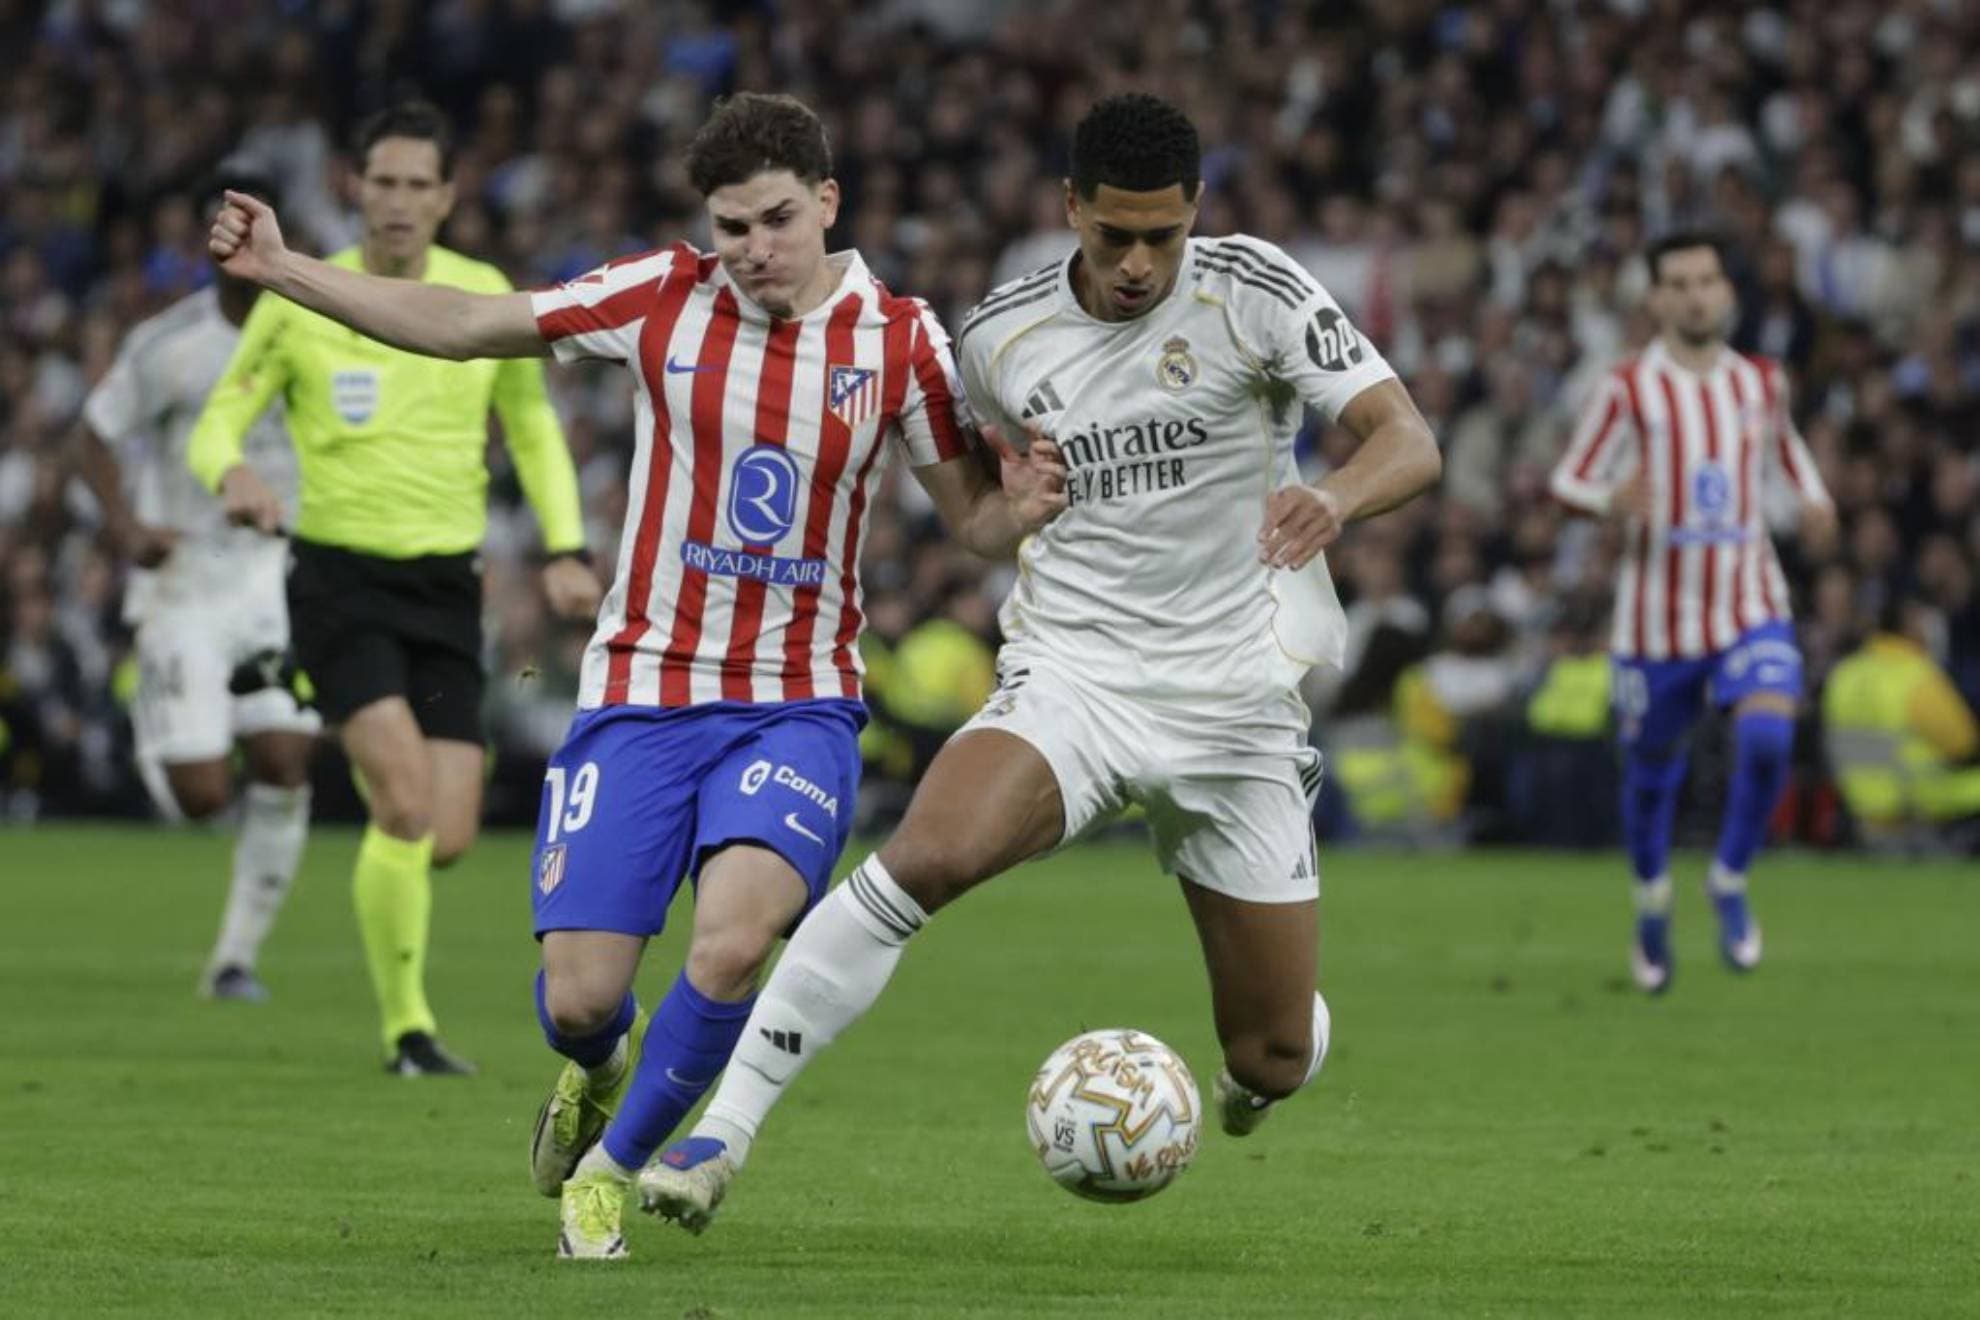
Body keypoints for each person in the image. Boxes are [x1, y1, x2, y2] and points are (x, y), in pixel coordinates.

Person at [204, 90, 1067, 1258]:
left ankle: (607, 1175)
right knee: (580, 1000)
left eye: (773, 220)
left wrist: (1014, 517)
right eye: (730, 227)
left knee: (731, 942)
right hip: (643, 693)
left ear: (827, 202)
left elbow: (969, 519)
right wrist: (287, 268)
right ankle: (602, 1069)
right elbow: (462, 322)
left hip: (796, 702)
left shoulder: (903, 340)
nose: (753, 250)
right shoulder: (663, 296)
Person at [640, 92, 1441, 1231]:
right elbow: (978, 505)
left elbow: (1409, 437)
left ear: (1195, 213)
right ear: (1069, 208)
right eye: (1112, 233)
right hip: (1078, 677)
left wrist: (1334, 495)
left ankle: (1269, 1062)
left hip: (1234, 705)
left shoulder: (1254, 288)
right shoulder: (998, 339)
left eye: (1161, 235)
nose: (1135, 262)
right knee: (925, 855)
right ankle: (724, 1134)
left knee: (1267, 1054)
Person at [188, 102, 601, 1074]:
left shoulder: (480, 292)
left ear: (450, 196)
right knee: (405, 804)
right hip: (336, 578)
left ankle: (313, 711)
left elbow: (534, 428)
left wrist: (566, 543)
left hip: (446, 588)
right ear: (355, 187)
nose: (401, 202)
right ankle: (406, 1031)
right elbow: (217, 422)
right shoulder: (303, 296)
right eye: (384, 182)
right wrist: (233, 474)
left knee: (448, 832)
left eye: (421, 185)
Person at [1549, 231, 1835, 994]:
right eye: (1678, 283)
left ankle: (1730, 878)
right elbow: (1568, 480)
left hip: (1748, 600)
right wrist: (1608, 500)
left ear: (1727, 291)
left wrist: (1815, 500)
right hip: (1655, 620)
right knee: (1649, 782)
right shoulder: (1628, 388)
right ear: (1655, 298)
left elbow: (1786, 455)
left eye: (1707, 279)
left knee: (1770, 731)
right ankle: (1651, 903)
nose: (1696, 294)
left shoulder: (1760, 384)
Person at [70, 168, 320, 1002]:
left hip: (279, 577)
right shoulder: (168, 345)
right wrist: (127, 529)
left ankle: (234, 959)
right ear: (211, 256)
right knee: (202, 792)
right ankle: (165, 715)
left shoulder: (320, 334)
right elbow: (95, 437)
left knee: (286, 759)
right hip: (186, 580)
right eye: (226, 242)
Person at [1822, 595, 1980, 848]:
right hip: (1919, 806)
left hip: (1859, 811)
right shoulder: (1917, 676)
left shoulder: (1844, 674)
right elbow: (1963, 743)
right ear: (1907, 627)